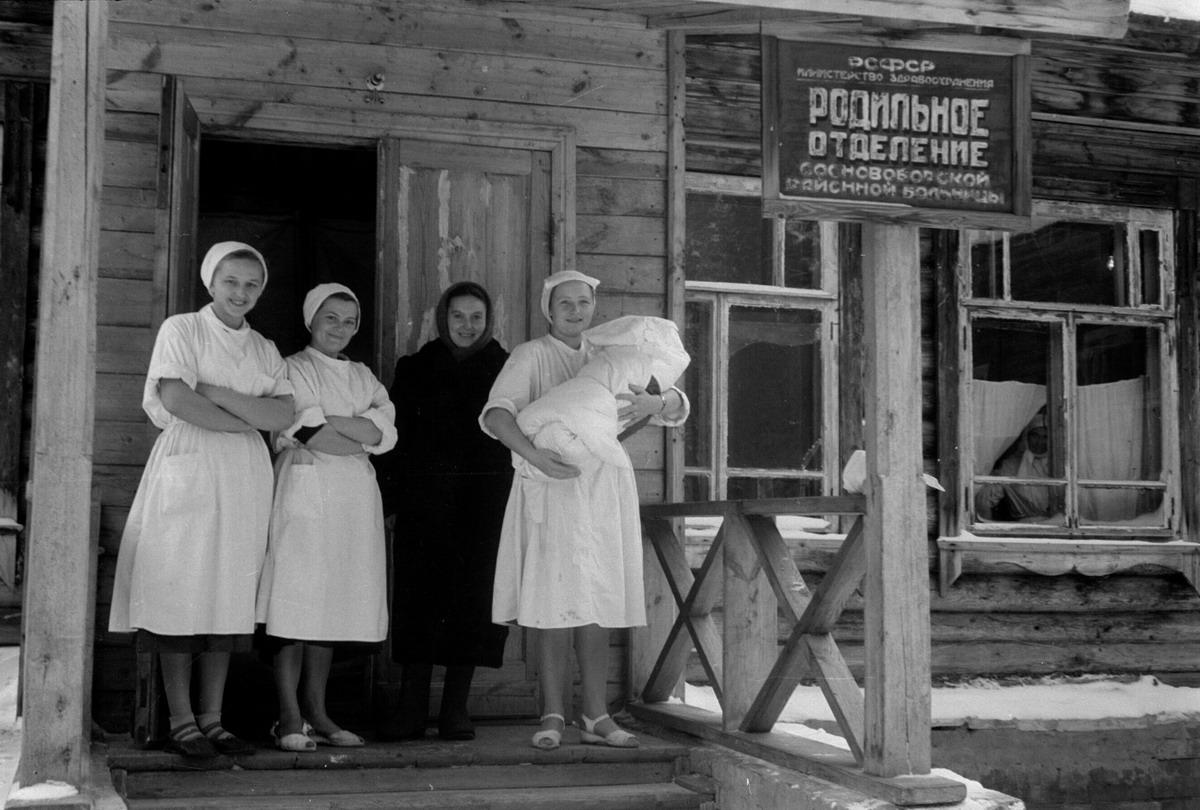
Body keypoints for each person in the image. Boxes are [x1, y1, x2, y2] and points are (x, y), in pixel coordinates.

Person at [480, 270, 689, 751]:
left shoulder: (611, 354)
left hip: (601, 487)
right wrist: (535, 457)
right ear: (548, 310)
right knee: (554, 602)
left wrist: (657, 399)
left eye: (583, 302)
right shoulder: (531, 355)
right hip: (548, 486)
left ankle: (596, 714)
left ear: (594, 307)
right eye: (565, 304)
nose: (575, 312)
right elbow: (496, 415)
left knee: (594, 599)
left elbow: (676, 401)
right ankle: (552, 714)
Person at [108, 242, 295, 758]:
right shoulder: (182, 329)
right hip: (189, 466)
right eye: (231, 282)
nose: (241, 293)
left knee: (226, 595)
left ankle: (213, 720)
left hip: (242, 478)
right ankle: (182, 719)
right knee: (179, 590)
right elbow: (176, 398)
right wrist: (246, 418)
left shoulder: (264, 348)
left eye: (252, 285)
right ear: (210, 282)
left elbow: (283, 415)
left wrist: (216, 394)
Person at [256, 283, 396, 751]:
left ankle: (317, 709)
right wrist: (359, 435)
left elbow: (387, 432)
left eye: (349, 320)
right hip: (305, 490)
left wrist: (350, 430)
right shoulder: (292, 368)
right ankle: (287, 715)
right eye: (330, 318)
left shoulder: (363, 376)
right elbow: (309, 431)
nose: (340, 328)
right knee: (297, 599)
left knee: (331, 602)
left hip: (354, 498)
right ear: (311, 319)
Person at [377, 281, 513, 741]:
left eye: (476, 317)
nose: (467, 326)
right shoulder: (416, 368)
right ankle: (411, 709)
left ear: (488, 320)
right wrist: (392, 501)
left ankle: (456, 709)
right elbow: (393, 441)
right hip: (424, 505)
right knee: (419, 601)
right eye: (458, 316)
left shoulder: (506, 367)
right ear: (443, 318)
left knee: (473, 603)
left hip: (484, 507)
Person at [975, 411, 1054, 521]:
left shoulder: (1058, 465)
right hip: (1025, 526)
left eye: (1045, 436)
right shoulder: (1012, 465)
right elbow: (986, 497)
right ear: (1027, 437)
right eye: (1035, 435)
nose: (1040, 442)